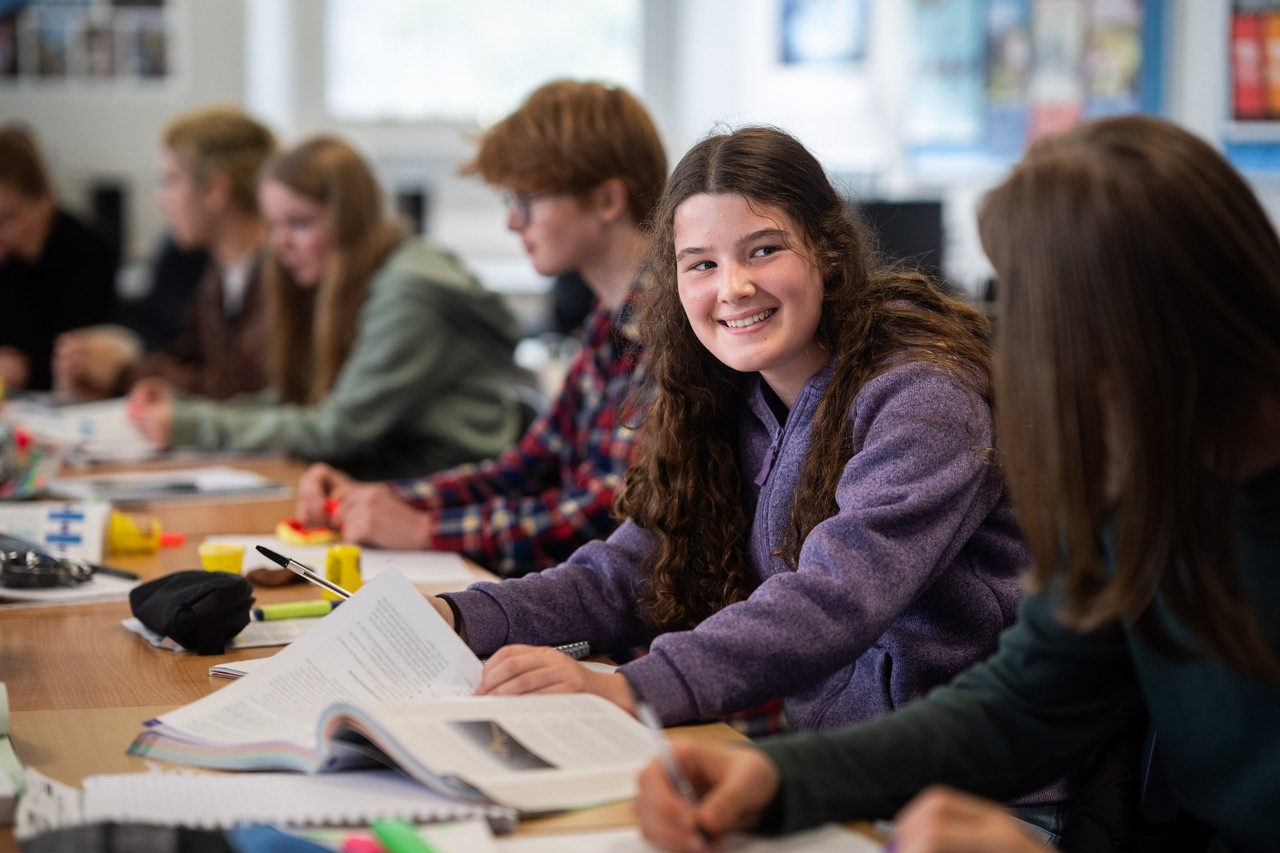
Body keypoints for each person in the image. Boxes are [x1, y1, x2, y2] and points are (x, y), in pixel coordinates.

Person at [632, 115, 1280, 853]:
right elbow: (1023, 706)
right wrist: (782, 780)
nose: (1035, 360)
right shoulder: (1146, 485)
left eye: (1044, 316)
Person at [418, 126, 1028, 748]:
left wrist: (630, 690)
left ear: (827, 251)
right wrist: (456, 615)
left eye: (763, 251)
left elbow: (835, 597)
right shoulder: (729, 393)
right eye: (703, 264)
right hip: (842, 763)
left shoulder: (924, 396)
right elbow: (632, 568)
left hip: (968, 780)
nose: (733, 287)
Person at [293, 80, 666, 577]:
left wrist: (424, 530)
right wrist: (380, 498)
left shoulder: (668, 328)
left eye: (527, 199)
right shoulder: (607, 320)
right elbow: (527, 466)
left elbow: (605, 509)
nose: (513, 221)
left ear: (606, 199)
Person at [126, 135, 524, 481]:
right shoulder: (345, 277)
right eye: (273, 225)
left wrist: (192, 425)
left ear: (352, 220)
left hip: (443, 493)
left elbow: (339, 428)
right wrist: (186, 409)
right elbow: (300, 399)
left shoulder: (407, 294)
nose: (280, 245)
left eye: (299, 223)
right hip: (383, 484)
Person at [55, 105, 276, 400]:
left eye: (170, 180)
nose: (161, 200)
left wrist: (123, 373)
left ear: (216, 191)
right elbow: (186, 357)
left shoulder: (280, 274)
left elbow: (234, 389)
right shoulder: (221, 272)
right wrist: (104, 368)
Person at [0, 124, 117, 392]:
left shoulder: (88, 252)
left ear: (45, 201)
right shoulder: (7, 257)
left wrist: (26, 369)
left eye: (7, 218)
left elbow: (83, 360)